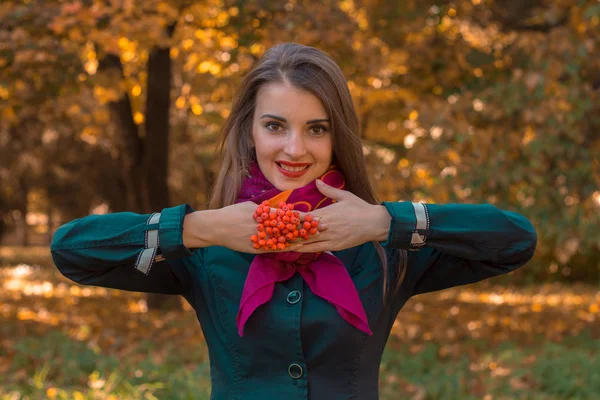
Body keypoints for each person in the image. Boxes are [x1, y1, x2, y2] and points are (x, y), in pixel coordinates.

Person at [50, 42, 537, 399]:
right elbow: (71, 252)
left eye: (316, 129)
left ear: (337, 137)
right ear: (250, 132)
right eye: (275, 126)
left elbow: (515, 241)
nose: (295, 149)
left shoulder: (382, 247)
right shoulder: (206, 248)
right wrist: (199, 228)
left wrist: (386, 223)